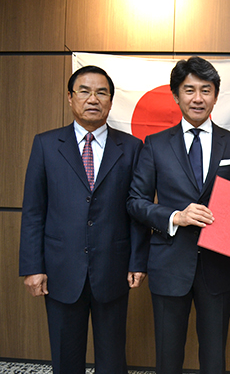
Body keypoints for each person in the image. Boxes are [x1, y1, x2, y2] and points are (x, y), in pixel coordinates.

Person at [127, 56, 230, 374]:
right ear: (176, 95)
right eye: (190, 90)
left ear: (216, 95)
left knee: (214, 358)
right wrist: (174, 216)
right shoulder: (155, 145)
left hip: (218, 265)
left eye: (206, 90)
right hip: (169, 264)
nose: (198, 98)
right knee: (168, 357)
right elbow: (135, 201)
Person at [19, 65, 149, 374]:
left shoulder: (131, 148)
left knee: (113, 358)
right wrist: (32, 268)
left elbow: (137, 209)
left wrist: (138, 261)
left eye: (101, 92)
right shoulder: (46, 145)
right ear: (70, 98)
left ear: (111, 101)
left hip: (113, 269)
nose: (93, 99)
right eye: (85, 91)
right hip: (61, 270)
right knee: (66, 357)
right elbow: (34, 211)